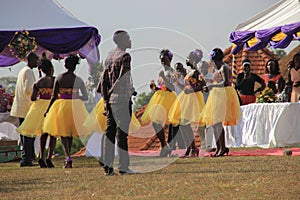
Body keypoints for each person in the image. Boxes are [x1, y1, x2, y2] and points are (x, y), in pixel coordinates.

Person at [100, 30, 137, 175]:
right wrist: (114, 89)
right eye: (127, 38)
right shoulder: (125, 56)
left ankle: (107, 167)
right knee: (122, 134)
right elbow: (122, 75)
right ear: (121, 40)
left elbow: (103, 81)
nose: (130, 40)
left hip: (111, 101)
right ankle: (123, 167)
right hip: (121, 100)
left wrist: (106, 99)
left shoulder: (109, 56)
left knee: (110, 133)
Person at [43, 54, 90, 168]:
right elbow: (85, 97)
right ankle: (68, 157)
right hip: (75, 106)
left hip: (62, 105)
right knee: (70, 132)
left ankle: (67, 156)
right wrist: (74, 96)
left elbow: (54, 96)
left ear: (65, 65)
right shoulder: (78, 80)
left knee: (64, 132)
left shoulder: (59, 77)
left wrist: (48, 110)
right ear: (75, 66)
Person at [17, 54, 57, 168]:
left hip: (39, 108)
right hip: (51, 106)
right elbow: (56, 95)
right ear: (51, 69)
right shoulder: (55, 80)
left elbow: (33, 98)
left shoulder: (38, 82)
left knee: (43, 133)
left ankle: (41, 157)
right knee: (52, 133)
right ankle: (49, 157)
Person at [200, 48, 241, 157]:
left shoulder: (224, 68)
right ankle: (219, 147)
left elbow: (226, 82)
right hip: (217, 95)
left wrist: (212, 85)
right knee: (214, 123)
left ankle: (222, 147)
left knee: (218, 123)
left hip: (224, 95)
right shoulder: (217, 69)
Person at [141, 49, 177, 157]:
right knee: (155, 122)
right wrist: (155, 88)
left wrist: (164, 78)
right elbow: (163, 88)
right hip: (160, 97)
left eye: (164, 60)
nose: (162, 62)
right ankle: (164, 146)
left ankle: (167, 146)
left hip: (168, 98)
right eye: (161, 60)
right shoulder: (162, 72)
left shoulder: (172, 71)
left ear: (170, 59)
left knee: (164, 122)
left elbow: (171, 88)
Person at [10, 52, 39, 167]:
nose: (37, 62)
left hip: (21, 107)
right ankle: (26, 159)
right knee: (28, 135)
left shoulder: (23, 70)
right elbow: (29, 89)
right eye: (36, 60)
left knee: (25, 135)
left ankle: (28, 157)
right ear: (31, 60)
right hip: (27, 107)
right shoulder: (29, 72)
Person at [168, 69, 205, 157]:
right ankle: (189, 148)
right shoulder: (189, 72)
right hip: (185, 97)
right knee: (182, 124)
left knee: (185, 123)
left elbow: (202, 85)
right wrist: (177, 82)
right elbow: (185, 87)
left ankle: (193, 148)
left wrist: (192, 91)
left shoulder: (196, 72)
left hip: (192, 99)